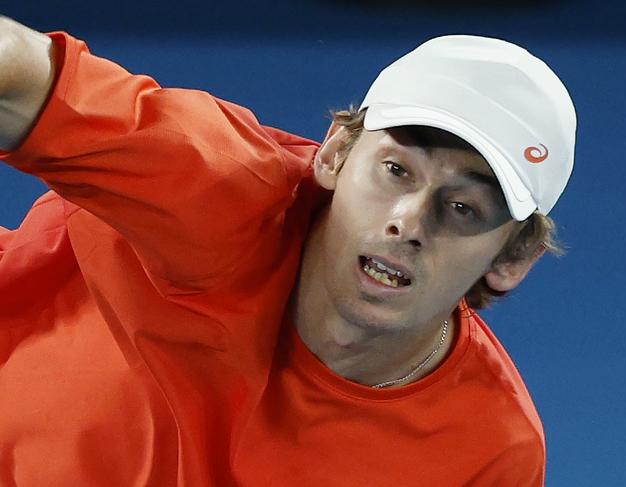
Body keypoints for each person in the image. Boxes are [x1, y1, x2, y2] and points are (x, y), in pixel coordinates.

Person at [0, 15, 576, 486]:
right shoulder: (215, 186)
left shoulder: (490, 449)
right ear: (333, 154)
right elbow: (18, 76)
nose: (408, 222)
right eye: (396, 170)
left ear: (511, 261)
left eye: (462, 208)